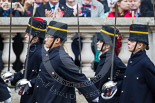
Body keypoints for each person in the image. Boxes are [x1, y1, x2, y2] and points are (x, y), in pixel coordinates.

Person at [33, 21, 100, 103]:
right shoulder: (50, 55)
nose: (45, 39)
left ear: (57, 40)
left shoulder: (62, 58)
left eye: (49, 37)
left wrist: (95, 97)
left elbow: (79, 78)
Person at [3, 17, 47, 103]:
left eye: (28, 34)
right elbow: (27, 74)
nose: (26, 36)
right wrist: (13, 77)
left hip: (35, 97)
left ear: (36, 38)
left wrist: (30, 83)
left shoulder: (40, 53)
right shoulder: (32, 50)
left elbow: (44, 77)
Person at [119, 24, 155, 103]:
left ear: (140, 45)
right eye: (129, 40)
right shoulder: (132, 60)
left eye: (132, 41)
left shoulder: (146, 63)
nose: (128, 43)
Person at [94, 26, 126, 103]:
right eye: (98, 41)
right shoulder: (103, 58)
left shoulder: (114, 60)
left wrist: (115, 85)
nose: (97, 43)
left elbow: (127, 78)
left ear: (108, 45)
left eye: (101, 41)